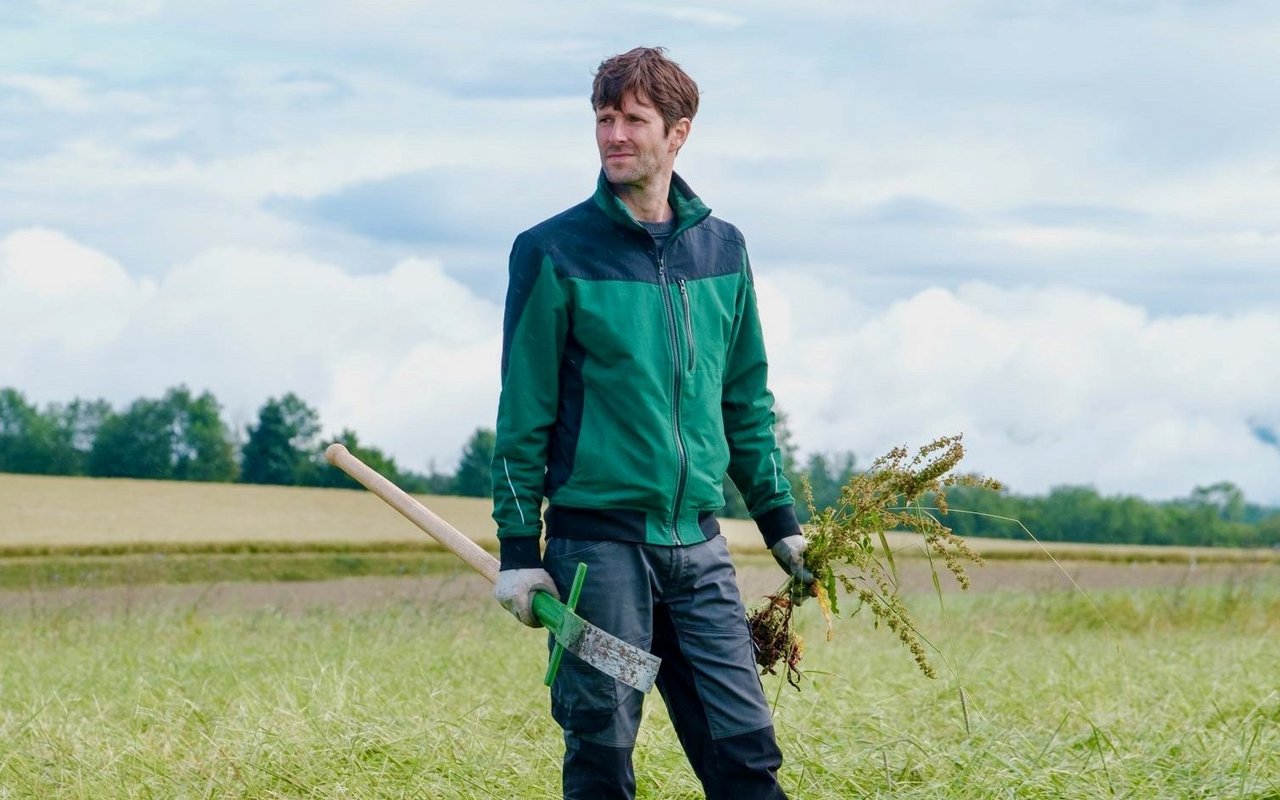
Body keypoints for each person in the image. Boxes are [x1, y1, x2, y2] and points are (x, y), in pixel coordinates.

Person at [490, 46, 814, 800]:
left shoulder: (723, 250)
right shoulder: (551, 252)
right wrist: (516, 548)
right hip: (596, 553)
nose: (614, 136)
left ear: (679, 133)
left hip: (696, 549)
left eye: (634, 120)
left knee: (745, 747)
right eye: (604, 119)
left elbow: (745, 401)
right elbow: (523, 412)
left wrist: (781, 523)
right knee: (602, 750)